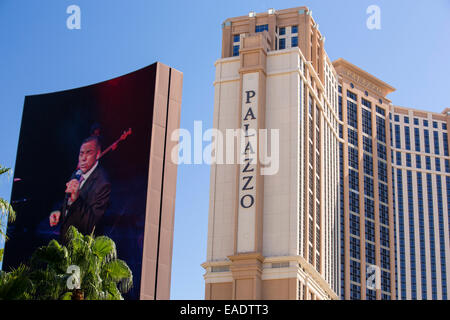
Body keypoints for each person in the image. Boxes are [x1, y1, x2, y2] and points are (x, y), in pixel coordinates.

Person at [49, 136, 111, 243]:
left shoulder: (103, 183)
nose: (83, 158)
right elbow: (67, 201)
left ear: (97, 154)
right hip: (65, 242)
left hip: (82, 248)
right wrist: (59, 211)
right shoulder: (77, 173)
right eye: (81, 153)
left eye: (88, 153)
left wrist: (76, 199)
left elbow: (92, 226)